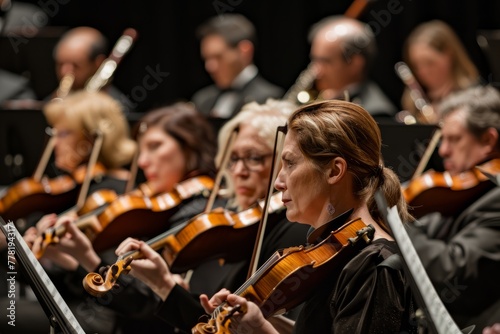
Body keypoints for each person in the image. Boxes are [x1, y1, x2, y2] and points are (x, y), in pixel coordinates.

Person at [199, 99, 417, 333]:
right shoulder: (338, 253)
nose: (278, 182)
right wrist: (259, 325)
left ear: (334, 171)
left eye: (290, 164)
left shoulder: (374, 266)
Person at [8, 102, 219, 334]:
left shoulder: (200, 214)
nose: (142, 161)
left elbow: (149, 307)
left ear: (190, 147)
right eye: (142, 150)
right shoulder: (149, 208)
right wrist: (66, 261)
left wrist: (86, 260)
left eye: (155, 146)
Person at [113, 99, 310, 333]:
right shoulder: (226, 222)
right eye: (234, 159)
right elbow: (207, 323)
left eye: (254, 158)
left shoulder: (295, 229)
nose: (239, 171)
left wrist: (164, 286)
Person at [0, 90, 137, 334]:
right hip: (69, 303)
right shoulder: (74, 188)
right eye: (53, 132)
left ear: (93, 138)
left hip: (100, 314)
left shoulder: (111, 195)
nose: (54, 142)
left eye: (63, 133)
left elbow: (86, 280)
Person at [406, 85, 500, 331]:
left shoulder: (496, 197)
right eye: (442, 138)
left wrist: (398, 221)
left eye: (454, 139)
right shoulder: (460, 192)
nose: (443, 150)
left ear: (488, 140)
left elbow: (452, 269)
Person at [191, 14, 284, 122]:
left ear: (245, 51)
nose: (209, 67)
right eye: (206, 58)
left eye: (218, 57)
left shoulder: (271, 99)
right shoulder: (201, 99)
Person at [307, 16, 397, 118]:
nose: (316, 71)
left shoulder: (375, 113)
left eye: (326, 61)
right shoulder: (327, 95)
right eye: (314, 60)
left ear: (355, 64)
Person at [401, 20, 480, 123]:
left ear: (449, 54)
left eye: (430, 63)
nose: (423, 71)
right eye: (416, 65)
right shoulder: (414, 103)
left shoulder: (475, 97)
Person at [51, 26, 134, 112]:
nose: (65, 72)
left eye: (76, 65)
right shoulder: (50, 103)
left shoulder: (117, 108)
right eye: (60, 64)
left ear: (98, 63)